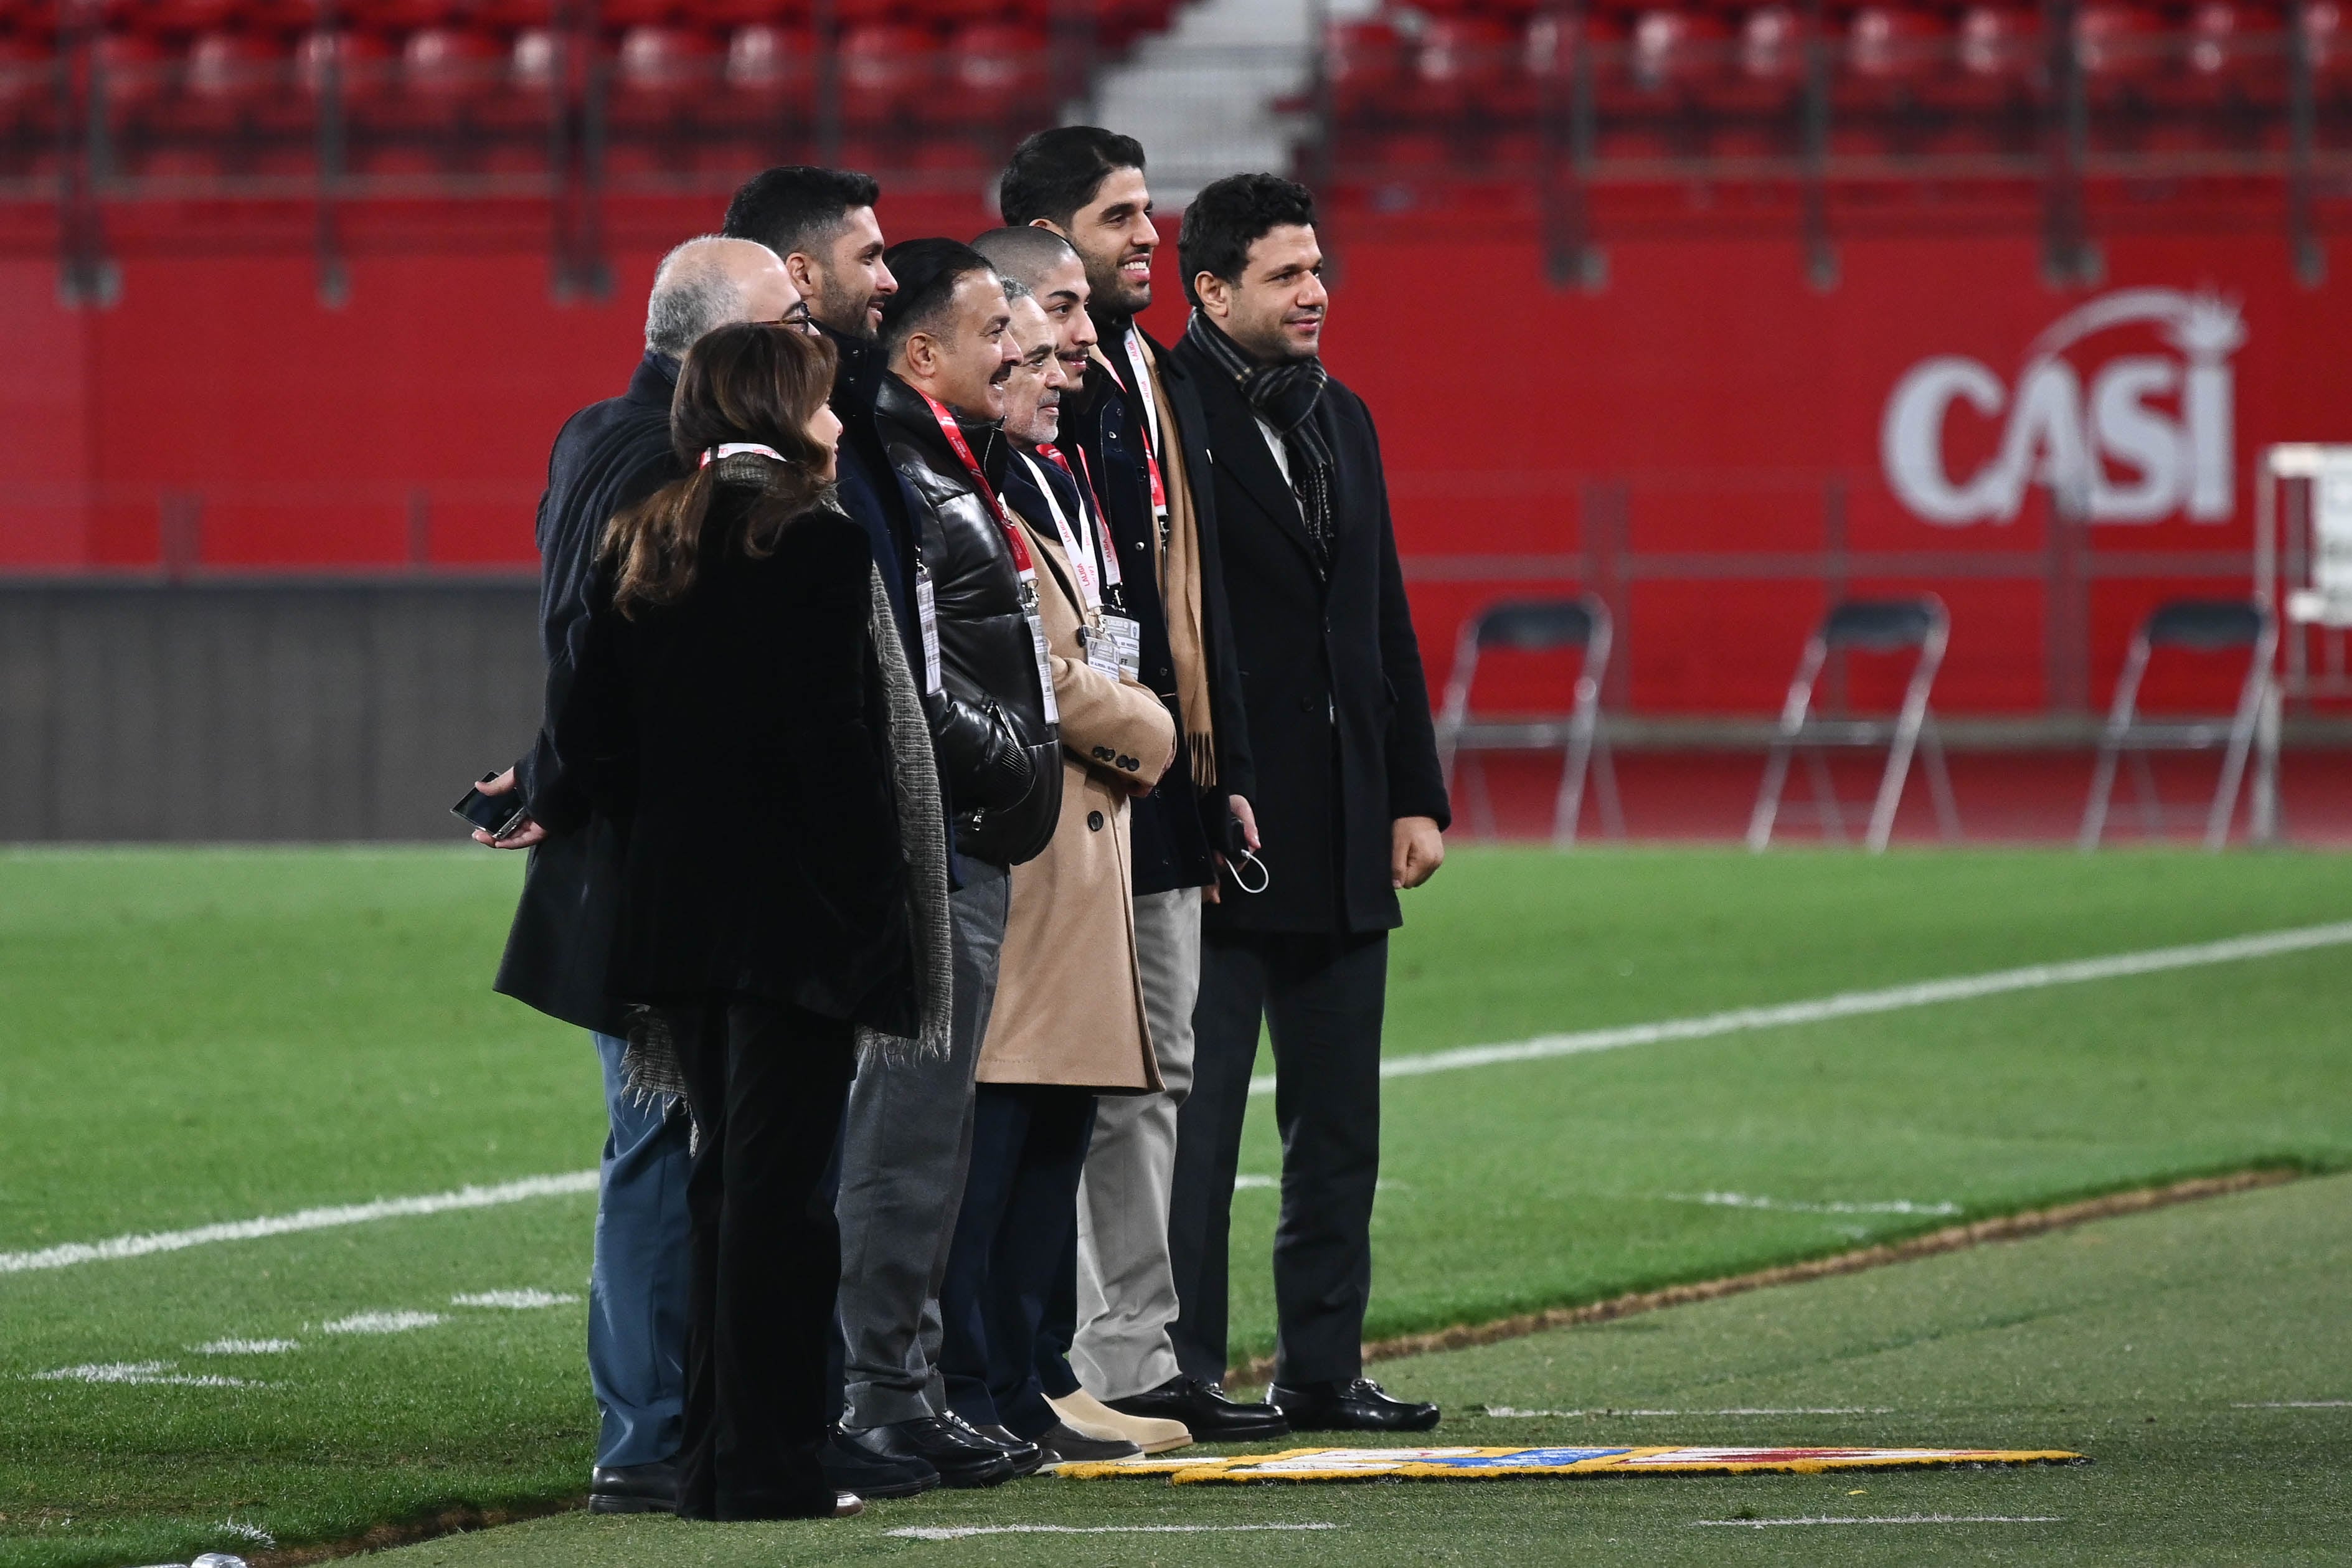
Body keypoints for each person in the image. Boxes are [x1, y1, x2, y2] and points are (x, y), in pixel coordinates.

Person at [534, 321, 948, 1520]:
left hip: (679, 923)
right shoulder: (818, 550)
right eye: (821, 405)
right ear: (777, 411)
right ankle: (770, 1467)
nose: (836, 425)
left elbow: (588, 739)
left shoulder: (646, 539)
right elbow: (844, 762)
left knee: (724, 1187)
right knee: (781, 1202)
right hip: (800, 927)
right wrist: (878, 923)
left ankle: (712, 1455)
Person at [469, 235, 808, 1516]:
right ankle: (650, 1431)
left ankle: (677, 1421)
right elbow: (589, 644)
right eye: (783, 317)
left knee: (686, 1135)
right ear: (710, 340)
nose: (810, 335)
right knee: (666, 1132)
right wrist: (558, 775)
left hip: (659, 850)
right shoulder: (647, 454)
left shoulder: (626, 442)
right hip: (662, 862)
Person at [997, 128, 1278, 1445]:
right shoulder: (1018, 392)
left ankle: (1131, 1353)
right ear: (1054, 236)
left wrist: (1207, 766)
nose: (1148, 238)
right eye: (1121, 219)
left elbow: (1170, 598)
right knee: (1062, 1083)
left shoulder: (1148, 375)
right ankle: (1045, 1360)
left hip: (1153, 777)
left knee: (1152, 1074)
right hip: (1060, 792)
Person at [1168, 173, 1451, 1433]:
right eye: (1285, 274)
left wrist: (1413, 793)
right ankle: (1181, 1372)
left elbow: (1378, 614)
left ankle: (1322, 1368)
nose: (1315, 292)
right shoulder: (1162, 415)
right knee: (1198, 1133)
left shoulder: (1346, 417)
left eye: (1317, 269)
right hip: (1224, 833)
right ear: (1210, 290)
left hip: (1341, 822)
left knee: (1338, 1124)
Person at [826, 238, 1062, 1489]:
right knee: (906, 1137)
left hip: (966, 840)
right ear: (920, 353)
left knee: (934, 1134)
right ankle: (881, 1396)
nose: (1015, 349)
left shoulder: (949, 461)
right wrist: (1018, 762)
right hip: (941, 844)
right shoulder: (904, 473)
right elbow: (915, 683)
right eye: (990, 331)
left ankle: (905, 1385)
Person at [933, 280, 1176, 1466]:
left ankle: (1032, 1372)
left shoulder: (1044, 484)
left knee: (1052, 1132)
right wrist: (1153, 731)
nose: (1052, 370)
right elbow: (1049, 681)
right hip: (1031, 846)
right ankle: (974, 1375)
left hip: (1080, 852)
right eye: (1025, 349)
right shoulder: (979, 496)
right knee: (1004, 1131)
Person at [719, 168, 920, 682]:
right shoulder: (761, 429)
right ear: (802, 275)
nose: (889, 280)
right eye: (869, 257)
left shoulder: (859, 396)